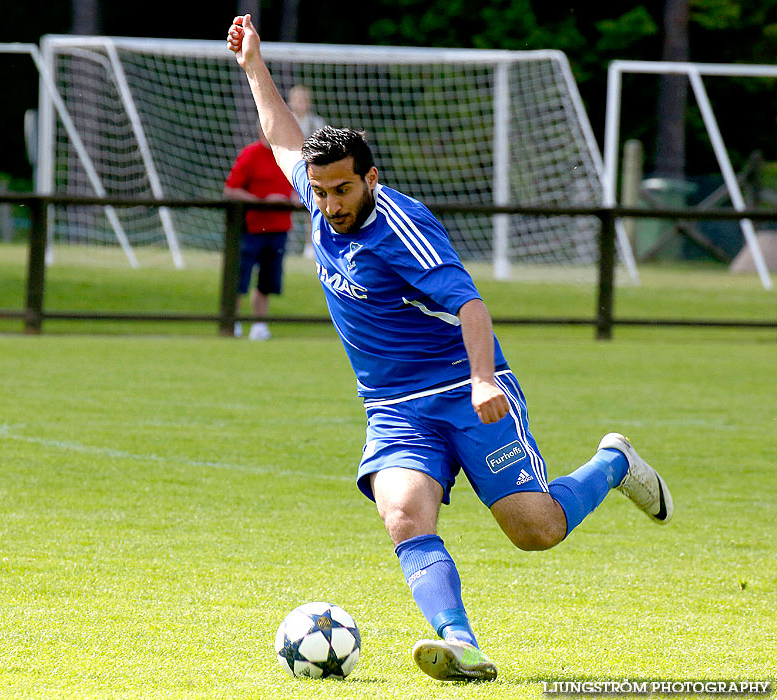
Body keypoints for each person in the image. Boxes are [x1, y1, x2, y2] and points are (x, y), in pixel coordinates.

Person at [227, 14, 674, 682]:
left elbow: (469, 302)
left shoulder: (401, 229)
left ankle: (612, 463)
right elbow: (281, 135)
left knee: (535, 531)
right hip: (394, 407)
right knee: (403, 514)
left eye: (342, 189)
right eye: (319, 191)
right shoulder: (318, 196)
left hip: (465, 391)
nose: (329, 203)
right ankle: (460, 643)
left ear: (370, 178)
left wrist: (482, 379)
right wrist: (253, 66)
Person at [224, 122, 296, 340]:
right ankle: (232, 321)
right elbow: (231, 190)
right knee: (240, 277)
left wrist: (290, 200)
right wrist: (261, 201)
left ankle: (260, 325)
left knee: (268, 281)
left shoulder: (287, 157)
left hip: (278, 229)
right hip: (252, 229)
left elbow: (297, 189)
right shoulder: (250, 154)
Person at [288, 85, 326, 259]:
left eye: (302, 100)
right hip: (287, 168)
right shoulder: (286, 120)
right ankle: (284, 242)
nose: (299, 104)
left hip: (310, 170)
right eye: (296, 99)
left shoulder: (315, 122)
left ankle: (310, 246)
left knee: (312, 207)